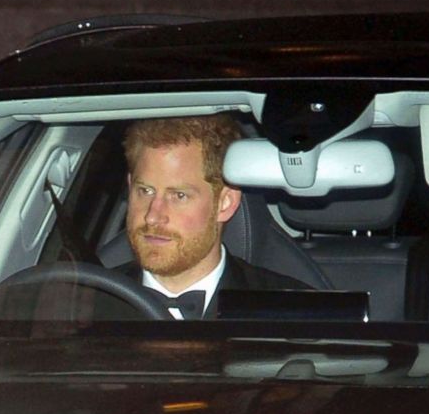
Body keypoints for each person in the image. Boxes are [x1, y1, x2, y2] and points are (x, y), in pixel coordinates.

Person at [120, 114, 308, 319]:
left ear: (225, 203)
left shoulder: (287, 311)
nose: (152, 217)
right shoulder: (88, 304)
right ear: (130, 187)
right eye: (145, 191)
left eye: (179, 196)